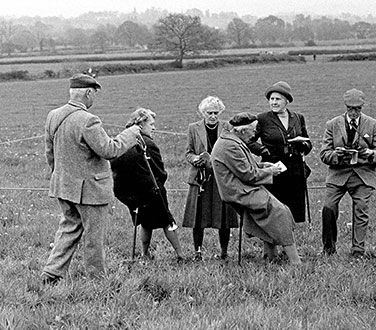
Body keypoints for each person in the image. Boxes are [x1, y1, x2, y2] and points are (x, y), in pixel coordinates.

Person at [42, 73, 141, 285]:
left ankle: (51, 274)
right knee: (93, 238)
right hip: (90, 191)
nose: (94, 97)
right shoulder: (88, 120)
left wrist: (59, 176)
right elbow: (109, 150)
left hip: (63, 187)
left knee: (68, 229)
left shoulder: (53, 115)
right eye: (94, 93)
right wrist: (131, 134)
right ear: (88, 92)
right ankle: (98, 282)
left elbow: (50, 153)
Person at [211, 112, 302, 265]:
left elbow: (244, 167)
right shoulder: (230, 145)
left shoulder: (232, 140)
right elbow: (248, 175)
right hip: (239, 191)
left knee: (280, 210)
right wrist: (270, 171)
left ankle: (271, 256)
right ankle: (295, 261)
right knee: (279, 212)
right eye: (252, 130)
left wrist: (262, 166)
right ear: (242, 130)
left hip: (244, 187)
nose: (254, 134)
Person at [320, 88, 376, 258]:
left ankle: (357, 250)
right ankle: (329, 249)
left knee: (361, 208)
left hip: (362, 174)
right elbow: (324, 154)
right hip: (338, 174)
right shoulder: (332, 124)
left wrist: (369, 154)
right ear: (345, 107)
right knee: (328, 207)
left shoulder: (372, 124)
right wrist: (337, 154)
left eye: (357, 109)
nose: (353, 112)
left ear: (362, 108)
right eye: (350, 108)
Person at [110, 108, 185, 261]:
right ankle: (180, 255)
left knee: (145, 222)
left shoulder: (122, 140)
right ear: (141, 124)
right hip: (153, 191)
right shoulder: (148, 143)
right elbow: (160, 171)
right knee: (168, 221)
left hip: (131, 194)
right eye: (151, 124)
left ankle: (145, 254)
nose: (154, 127)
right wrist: (159, 184)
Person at [182, 96, 238, 261]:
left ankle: (224, 252)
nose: (213, 116)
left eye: (216, 113)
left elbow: (232, 150)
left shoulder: (227, 127)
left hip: (222, 177)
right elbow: (188, 152)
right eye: (209, 113)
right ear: (202, 113)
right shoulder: (193, 128)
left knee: (224, 217)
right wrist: (194, 159)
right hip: (200, 178)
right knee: (198, 217)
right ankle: (197, 252)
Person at [248, 81, 312, 223]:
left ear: (287, 101)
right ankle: (274, 230)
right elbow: (249, 141)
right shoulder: (262, 119)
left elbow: (308, 143)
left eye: (278, 99)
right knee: (275, 203)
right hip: (274, 166)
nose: (274, 102)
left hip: (295, 167)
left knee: (295, 202)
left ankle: (294, 231)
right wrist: (263, 150)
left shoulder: (298, 117)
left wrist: (303, 145)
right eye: (272, 99)